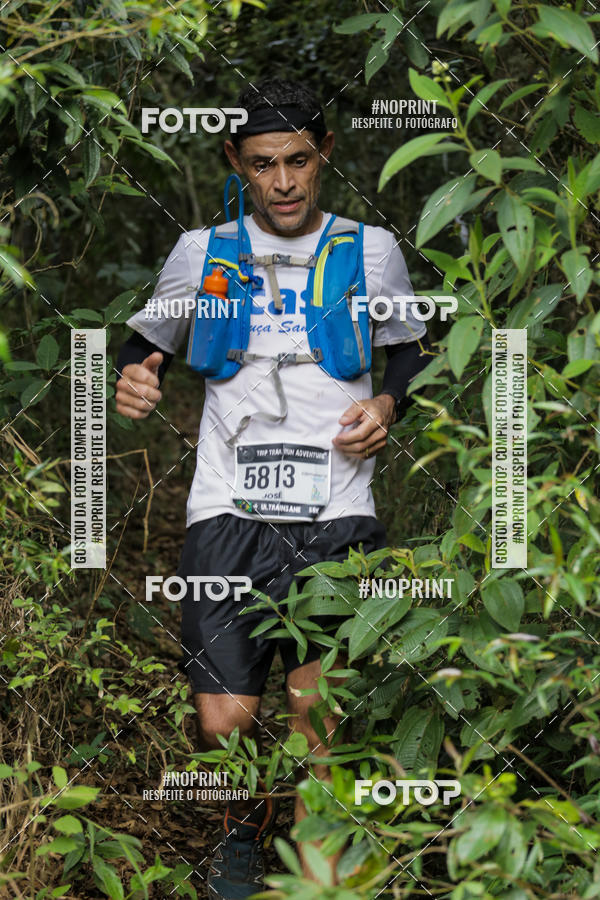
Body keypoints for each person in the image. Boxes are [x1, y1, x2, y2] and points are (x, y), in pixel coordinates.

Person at [116, 77, 431, 899]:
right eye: (263, 165)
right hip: (226, 508)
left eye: (298, 161)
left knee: (314, 717)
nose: (284, 183)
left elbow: (409, 346)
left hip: (337, 513)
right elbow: (144, 344)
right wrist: (135, 376)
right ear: (236, 162)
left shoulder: (371, 249)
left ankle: (317, 871)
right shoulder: (201, 249)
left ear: (324, 153)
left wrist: (389, 402)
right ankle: (242, 831)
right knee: (228, 718)